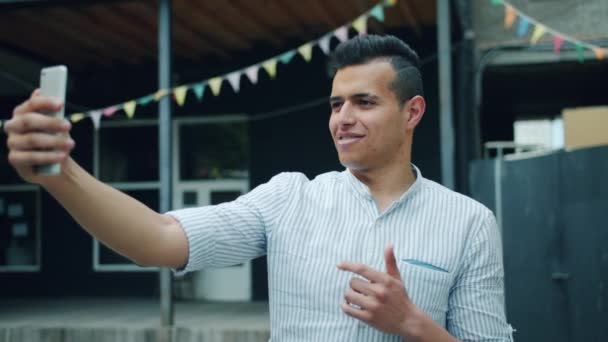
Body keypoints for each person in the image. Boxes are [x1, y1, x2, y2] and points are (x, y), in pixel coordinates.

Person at [4, 35, 513, 341]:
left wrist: (413, 325)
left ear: (412, 112)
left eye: (364, 102)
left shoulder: (468, 222)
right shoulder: (289, 198)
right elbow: (157, 238)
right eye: (336, 105)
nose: (343, 119)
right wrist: (61, 174)